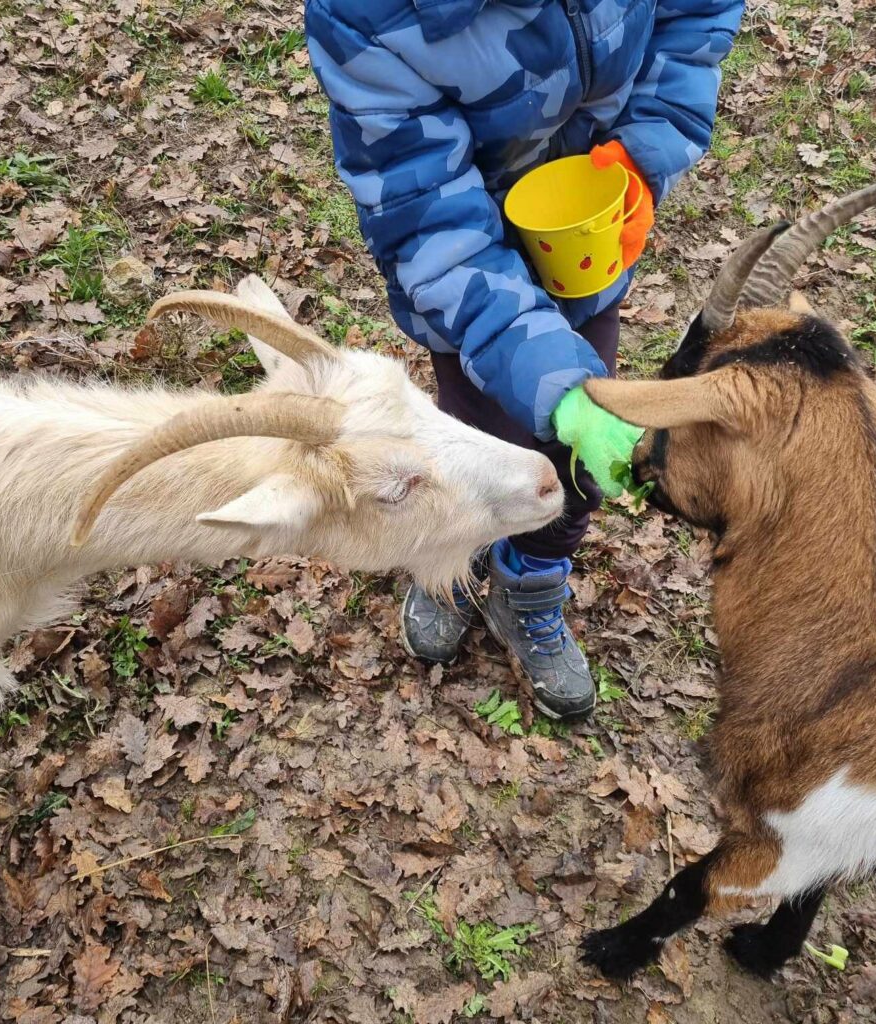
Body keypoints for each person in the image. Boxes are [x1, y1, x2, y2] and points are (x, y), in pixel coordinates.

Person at [305, 0, 744, 720]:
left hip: (589, 240)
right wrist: (562, 390)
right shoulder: (369, 18)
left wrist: (645, 147)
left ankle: (532, 586)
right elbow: (429, 221)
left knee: (574, 469)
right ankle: (454, 558)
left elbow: (698, 14)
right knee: (477, 434)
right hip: (466, 274)